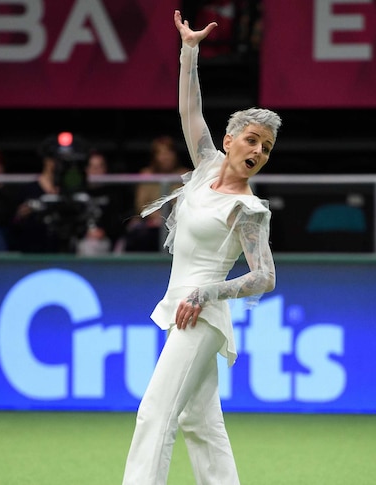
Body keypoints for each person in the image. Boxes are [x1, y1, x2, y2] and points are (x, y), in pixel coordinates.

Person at [122, 11, 279, 484]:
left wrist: (209, 293)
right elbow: (190, 111)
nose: (257, 152)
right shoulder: (208, 166)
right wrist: (189, 50)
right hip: (182, 306)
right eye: (252, 140)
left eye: (266, 148)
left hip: (201, 315)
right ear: (230, 141)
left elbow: (265, 277)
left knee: (155, 414)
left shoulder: (249, 210)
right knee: (199, 422)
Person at [124, 135, 189, 252]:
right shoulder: (146, 175)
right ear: (154, 156)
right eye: (161, 153)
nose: (165, 157)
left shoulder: (185, 175)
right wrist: (157, 217)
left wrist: (168, 218)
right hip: (150, 222)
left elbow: (188, 202)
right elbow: (140, 204)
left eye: (168, 152)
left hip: (178, 221)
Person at [76, 150, 127, 256]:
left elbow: (120, 222)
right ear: (86, 169)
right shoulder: (78, 193)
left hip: (107, 240)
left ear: (105, 169)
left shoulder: (114, 194)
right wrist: (84, 232)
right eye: (92, 166)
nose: (96, 170)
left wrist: (104, 231)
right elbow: (72, 221)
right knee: (87, 246)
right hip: (82, 239)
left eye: (99, 167)